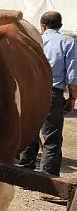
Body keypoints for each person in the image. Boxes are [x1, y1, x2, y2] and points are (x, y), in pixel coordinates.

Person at [18, 11, 77, 178]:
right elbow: (73, 76)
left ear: (42, 26)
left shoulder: (34, 41)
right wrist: (72, 98)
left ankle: (24, 169)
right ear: (61, 26)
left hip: (29, 90)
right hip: (52, 92)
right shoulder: (68, 42)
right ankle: (47, 174)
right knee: (51, 135)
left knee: (30, 130)